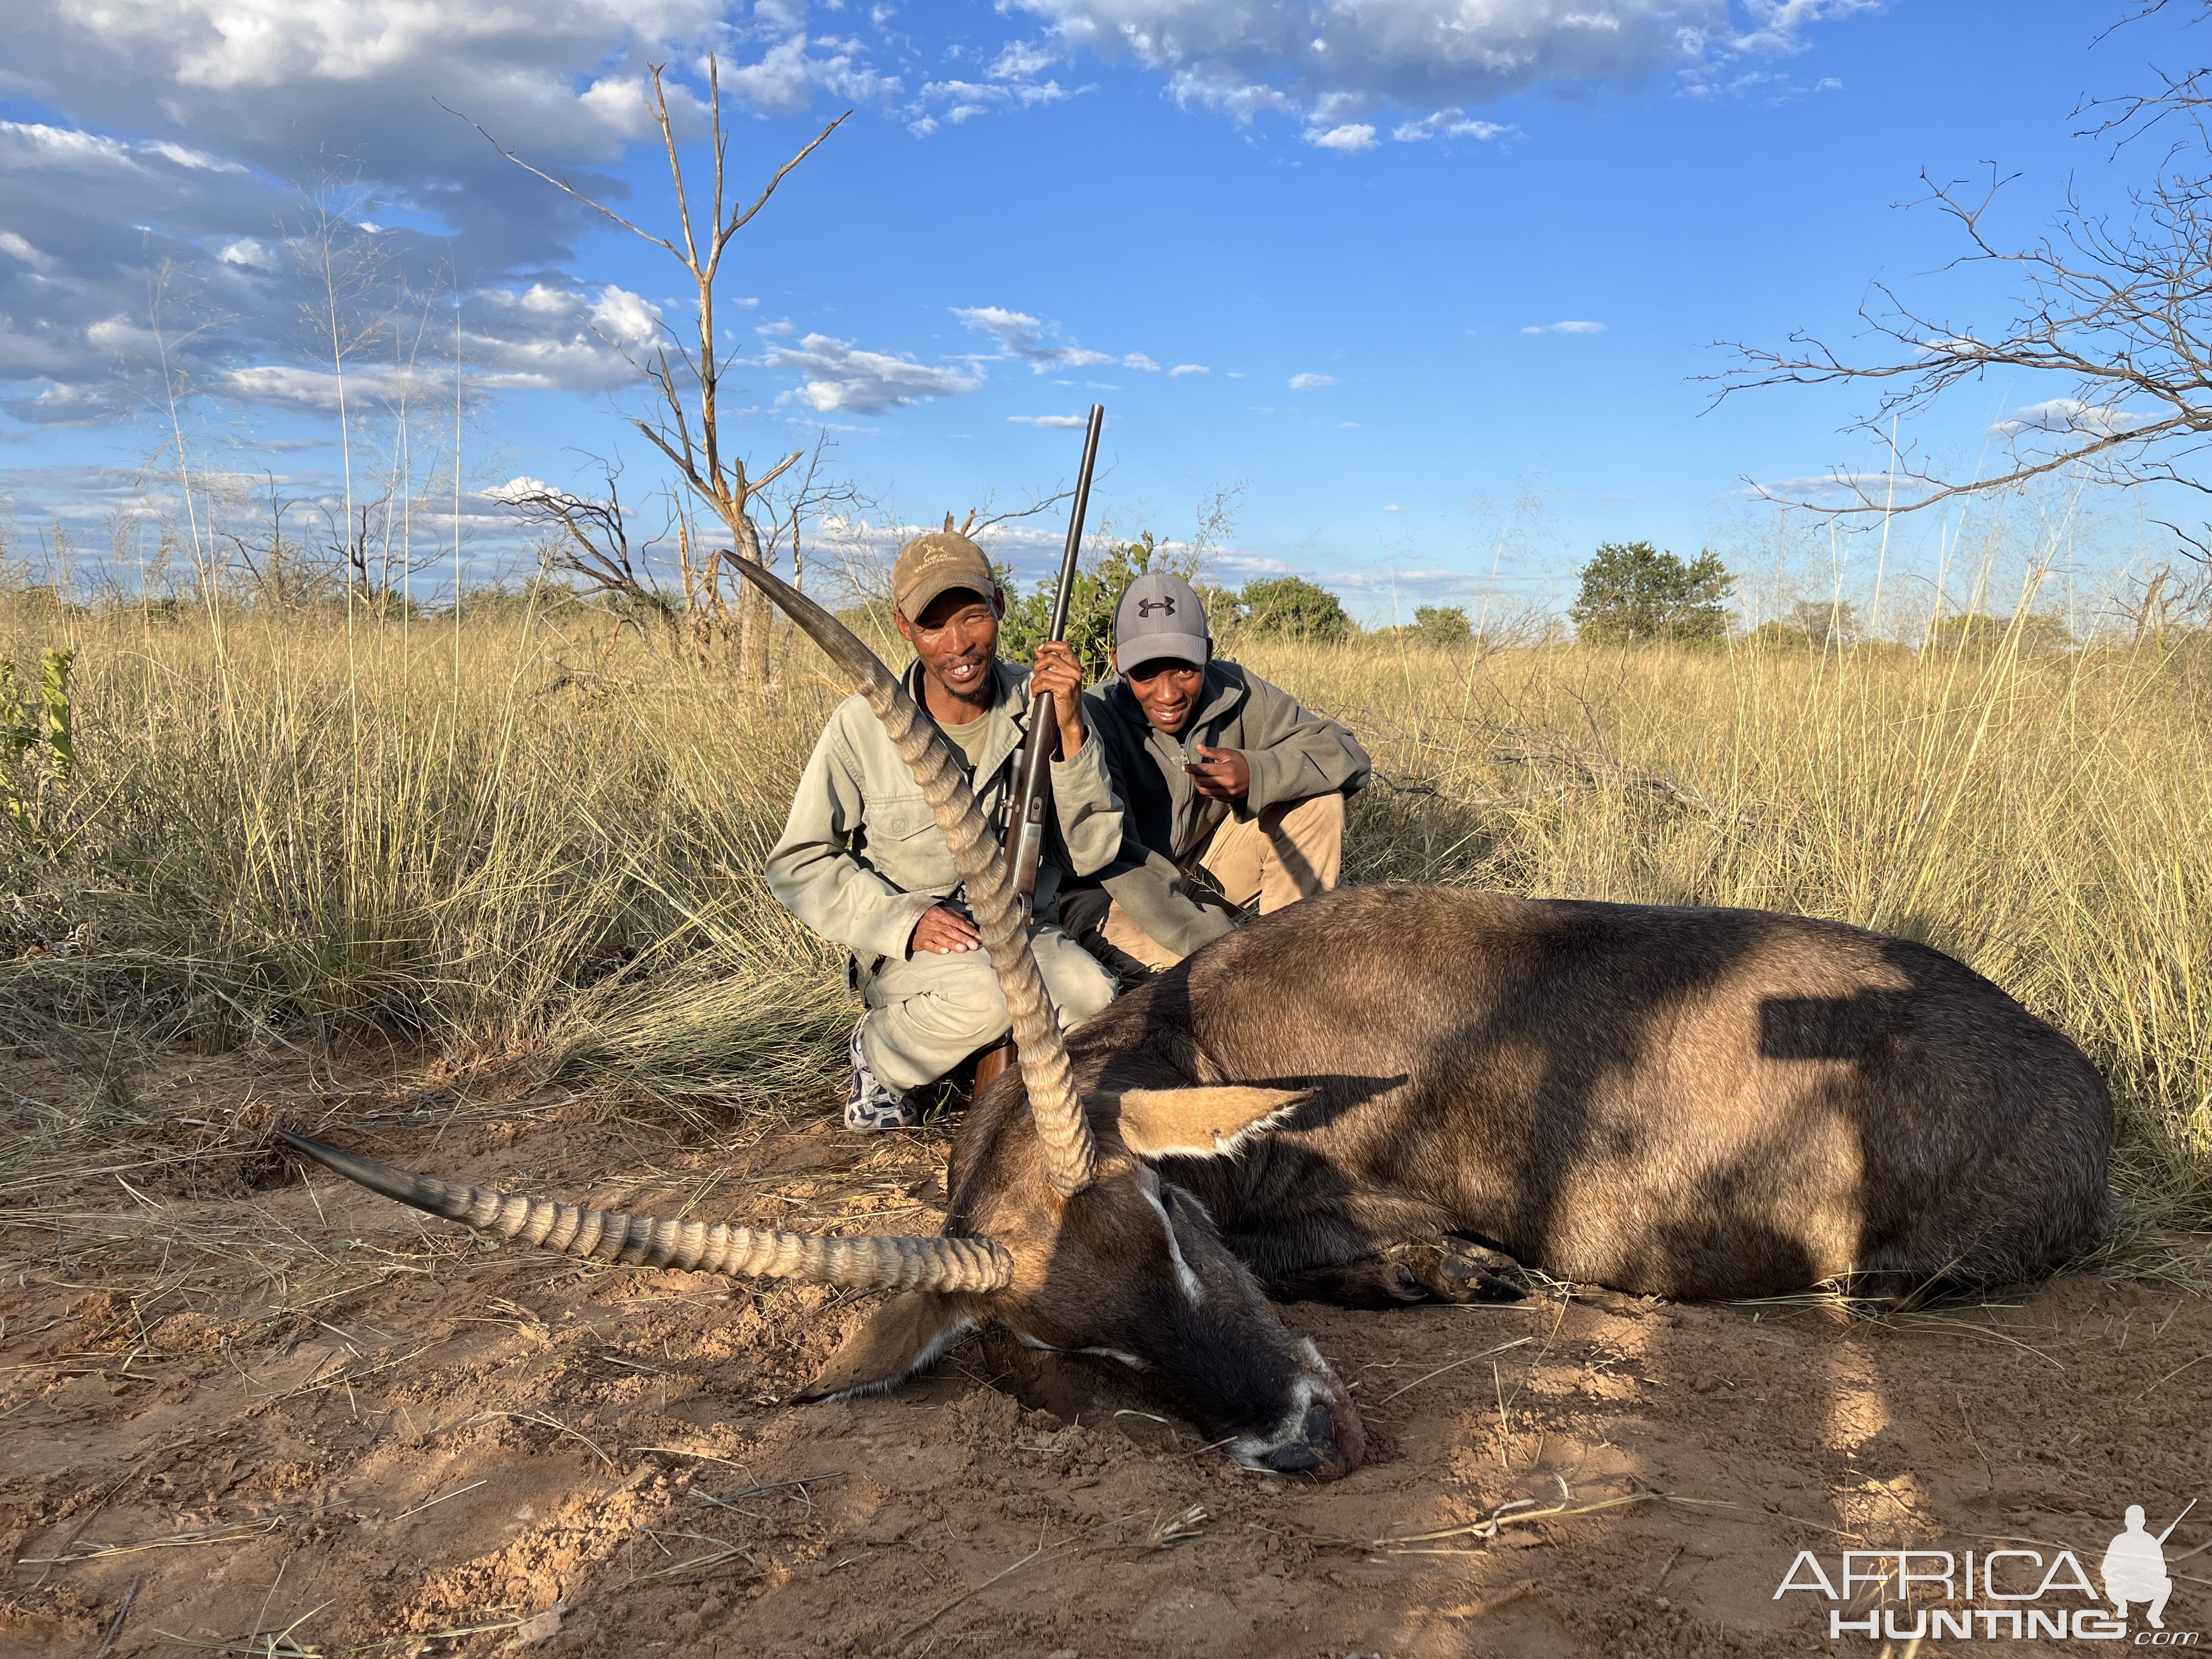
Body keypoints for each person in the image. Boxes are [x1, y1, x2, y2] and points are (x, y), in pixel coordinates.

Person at [766, 524, 1122, 1131]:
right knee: (989, 995)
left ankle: (992, 1069)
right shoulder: (861, 726)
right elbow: (797, 863)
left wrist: (1069, 729)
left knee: (1097, 999)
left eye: (972, 616)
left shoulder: (1044, 702)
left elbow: (1092, 852)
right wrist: (904, 919)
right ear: (905, 629)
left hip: (1020, 930)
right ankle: (879, 1056)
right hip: (915, 954)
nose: (959, 643)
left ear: (999, 607)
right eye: (933, 625)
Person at [1073, 569, 1370, 972]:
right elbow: (1115, 861)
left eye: (1184, 669)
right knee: (1211, 975)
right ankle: (1266, 970)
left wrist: (1257, 773)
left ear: (1207, 654)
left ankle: (1294, 961)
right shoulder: (1092, 718)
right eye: (1146, 672)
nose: (1168, 693)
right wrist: (1224, 946)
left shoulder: (1237, 689)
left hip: (1197, 869)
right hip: (1116, 898)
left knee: (1319, 803)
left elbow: (1346, 752)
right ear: (1118, 664)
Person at [2101, 1504, 2176, 1629]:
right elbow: (2106, 1569)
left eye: (2137, 1521)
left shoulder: (2151, 1541)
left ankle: (2154, 1615)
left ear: (2143, 1522)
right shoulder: (2119, 1540)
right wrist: (2123, 1572)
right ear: (2126, 1522)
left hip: (2144, 1588)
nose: (2134, 1524)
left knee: (2167, 1583)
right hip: (2123, 1588)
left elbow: (2162, 1570)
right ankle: (2122, 1605)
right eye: (2132, 1521)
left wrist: (2145, 1572)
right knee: (2109, 1582)